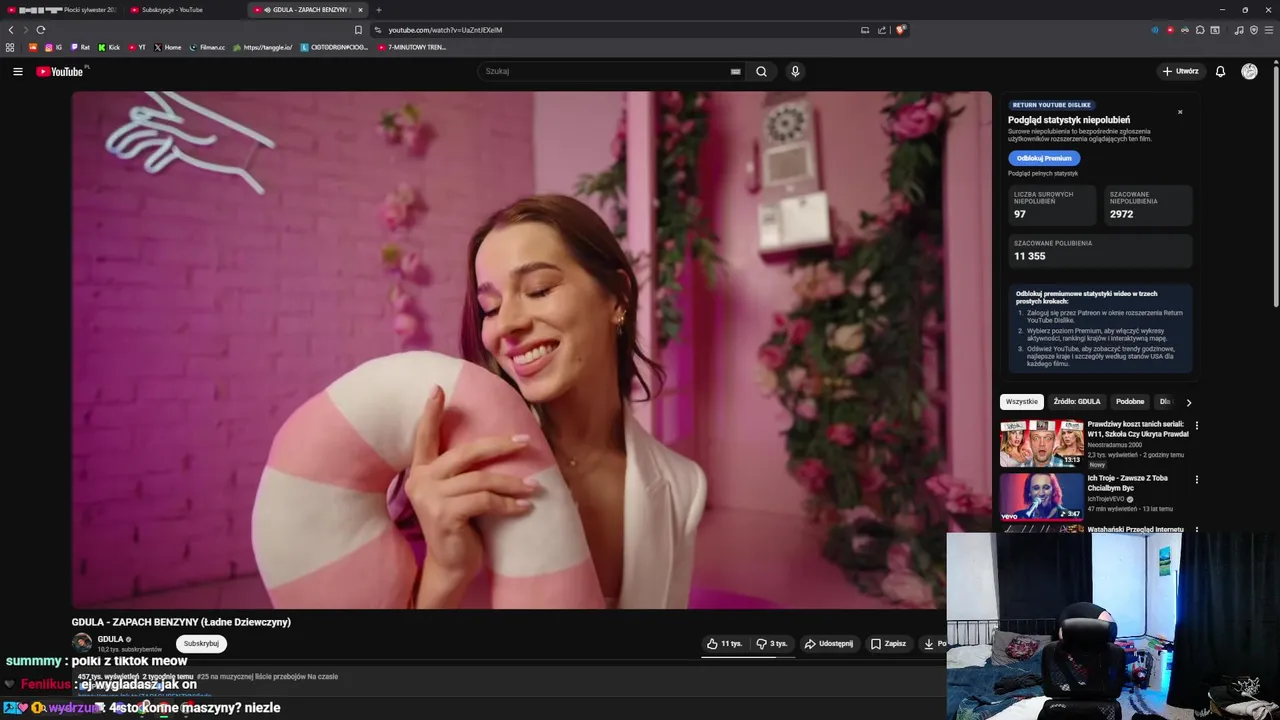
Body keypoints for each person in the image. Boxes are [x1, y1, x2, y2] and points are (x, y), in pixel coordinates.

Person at [400, 195, 707, 610]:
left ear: (617, 297)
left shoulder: (682, 488)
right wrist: (445, 572)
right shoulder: (451, 468)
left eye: (539, 289)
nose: (507, 324)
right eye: (490, 308)